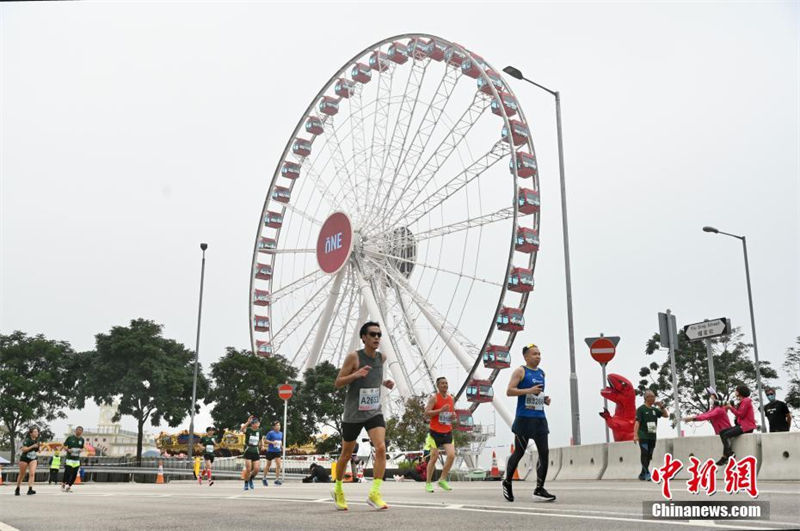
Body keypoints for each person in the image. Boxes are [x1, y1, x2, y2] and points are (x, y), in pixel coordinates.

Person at [330, 321, 394, 511]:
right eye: (373, 334)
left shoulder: (381, 358)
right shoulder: (354, 358)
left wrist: (385, 383)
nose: (376, 338)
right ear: (364, 337)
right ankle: (338, 489)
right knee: (346, 454)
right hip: (353, 414)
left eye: (379, 335)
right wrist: (355, 375)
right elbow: (338, 382)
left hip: (373, 411)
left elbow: (374, 377)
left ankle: (375, 493)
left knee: (381, 448)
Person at [503, 344, 556, 502]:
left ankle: (539, 489)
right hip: (524, 419)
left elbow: (536, 393)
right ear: (526, 357)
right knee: (519, 453)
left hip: (539, 419)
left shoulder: (541, 373)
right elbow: (509, 391)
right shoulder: (520, 371)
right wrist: (529, 391)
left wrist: (543, 399)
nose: (538, 356)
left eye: (539, 354)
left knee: (544, 453)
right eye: (534, 354)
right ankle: (507, 482)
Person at [424, 376, 455, 493]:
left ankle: (442, 479)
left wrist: (453, 416)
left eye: (446, 383)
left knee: (451, 455)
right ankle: (428, 483)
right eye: (442, 383)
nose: (445, 385)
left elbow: (452, 414)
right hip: (435, 432)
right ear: (438, 386)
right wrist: (439, 411)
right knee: (434, 457)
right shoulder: (434, 399)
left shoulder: (451, 399)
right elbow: (426, 413)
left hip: (447, 430)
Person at [683, 387, 732, 457]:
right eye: (710, 398)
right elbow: (705, 415)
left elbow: (707, 416)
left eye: (712, 398)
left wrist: (692, 418)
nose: (710, 400)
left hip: (725, 433)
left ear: (717, 400)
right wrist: (692, 418)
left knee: (727, 455)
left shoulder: (718, 409)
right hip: (721, 434)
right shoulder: (714, 409)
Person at [633, 390, 668, 480]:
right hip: (643, 435)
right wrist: (635, 435)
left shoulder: (654, 410)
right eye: (652, 397)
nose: (653, 398)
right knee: (644, 453)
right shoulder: (641, 409)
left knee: (649, 455)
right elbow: (637, 422)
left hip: (652, 436)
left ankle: (642, 474)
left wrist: (661, 406)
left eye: (654, 397)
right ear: (646, 398)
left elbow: (666, 415)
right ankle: (647, 473)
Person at [717, 385, 756, 465]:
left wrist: (731, 408)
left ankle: (728, 455)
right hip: (741, 425)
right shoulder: (742, 402)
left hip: (746, 427)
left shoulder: (746, 401)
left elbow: (740, 414)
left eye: (736, 390)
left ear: (740, 392)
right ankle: (726, 455)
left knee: (726, 435)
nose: (735, 392)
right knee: (722, 432)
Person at [240, 415, 263, 491]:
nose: (257, 424)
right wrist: (247, 422)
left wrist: (262, 445)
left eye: (258, 422)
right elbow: (242, 429)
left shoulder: (259, 431)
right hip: (248, 450)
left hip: (255, 450)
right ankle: (246, 483)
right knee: (248, 469)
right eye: (255, 423)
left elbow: (260, 439)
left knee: (256, 469)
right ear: (252, 424)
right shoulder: (249, 430)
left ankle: (250, 479)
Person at [16, 426, 41, 496]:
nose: (37, 433)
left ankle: (30, 489)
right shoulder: (27, 440)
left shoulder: (37, 441)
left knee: (32, 473)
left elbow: (37, 450)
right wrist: (32, 446)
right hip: (24, 458)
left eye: (37, 432)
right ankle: (17, 488)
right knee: (22, 474)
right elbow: (23, 449)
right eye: (35, 432)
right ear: (31, 433)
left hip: (33, 458)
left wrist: (38, 449)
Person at [61, 426, 85, 493]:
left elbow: (82, 448)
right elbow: (64, 446)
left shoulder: (82, 440)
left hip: (76, 459)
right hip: (69, 458)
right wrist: (68, 450)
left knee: (74, 473)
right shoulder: (70, 438)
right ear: (75, 431)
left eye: (80, 430)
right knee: (68, 472)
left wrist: (81, 450)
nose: (79, 431)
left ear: (82, 432)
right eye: (78, 430)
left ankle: (69, 486)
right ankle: (63, 483)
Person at [263, 421, 283, 486]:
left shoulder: (281, 433)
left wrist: (281, 446)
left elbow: (280, 441)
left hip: (277, 451)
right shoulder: (270, 433)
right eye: (277, 425)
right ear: (274, 427)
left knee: (279, 465)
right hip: (270, 451)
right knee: (268, 465)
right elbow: (265, 441)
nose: (278, 426)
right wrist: (272, 442)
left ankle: (276, 480)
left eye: (279, 425)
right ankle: (264, 478)